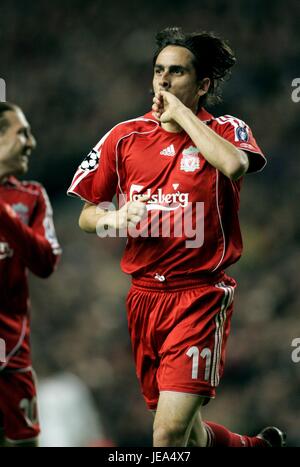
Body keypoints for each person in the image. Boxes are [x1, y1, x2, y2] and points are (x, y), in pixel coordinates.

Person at [67, 27, 286, 447]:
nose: (163, 81)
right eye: (158, 71)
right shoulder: (123, 137)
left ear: (202, 85)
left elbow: (235, 165)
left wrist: (182, 115)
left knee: (166, 436)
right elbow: (85, 216)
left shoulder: (226, 129)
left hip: (199, 295)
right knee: (185, 433)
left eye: (177, 73)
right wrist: (114, 217)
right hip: (144, 298)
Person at [0, 102, 61, 447]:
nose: (31, 142)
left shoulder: (31, 196)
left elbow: (46, 262)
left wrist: (4, 216)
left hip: (11, 353)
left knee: (25, 444)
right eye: (21, 132)